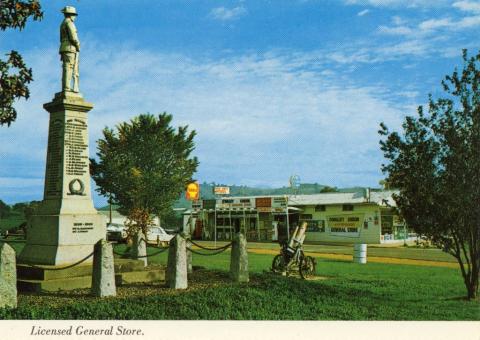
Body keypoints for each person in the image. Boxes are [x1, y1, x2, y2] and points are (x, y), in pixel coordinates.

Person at [59, 6, 80, 92]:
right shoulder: (69, 23)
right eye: (74, 15)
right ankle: (67, 87)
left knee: (66, 67)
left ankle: (66, 87)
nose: (74, 17)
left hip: (64, 47)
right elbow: (73, 37)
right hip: (70, 48)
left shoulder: (63, 23)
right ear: (70, 15)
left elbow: (61, 38)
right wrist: (78, 45)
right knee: (69, 68)